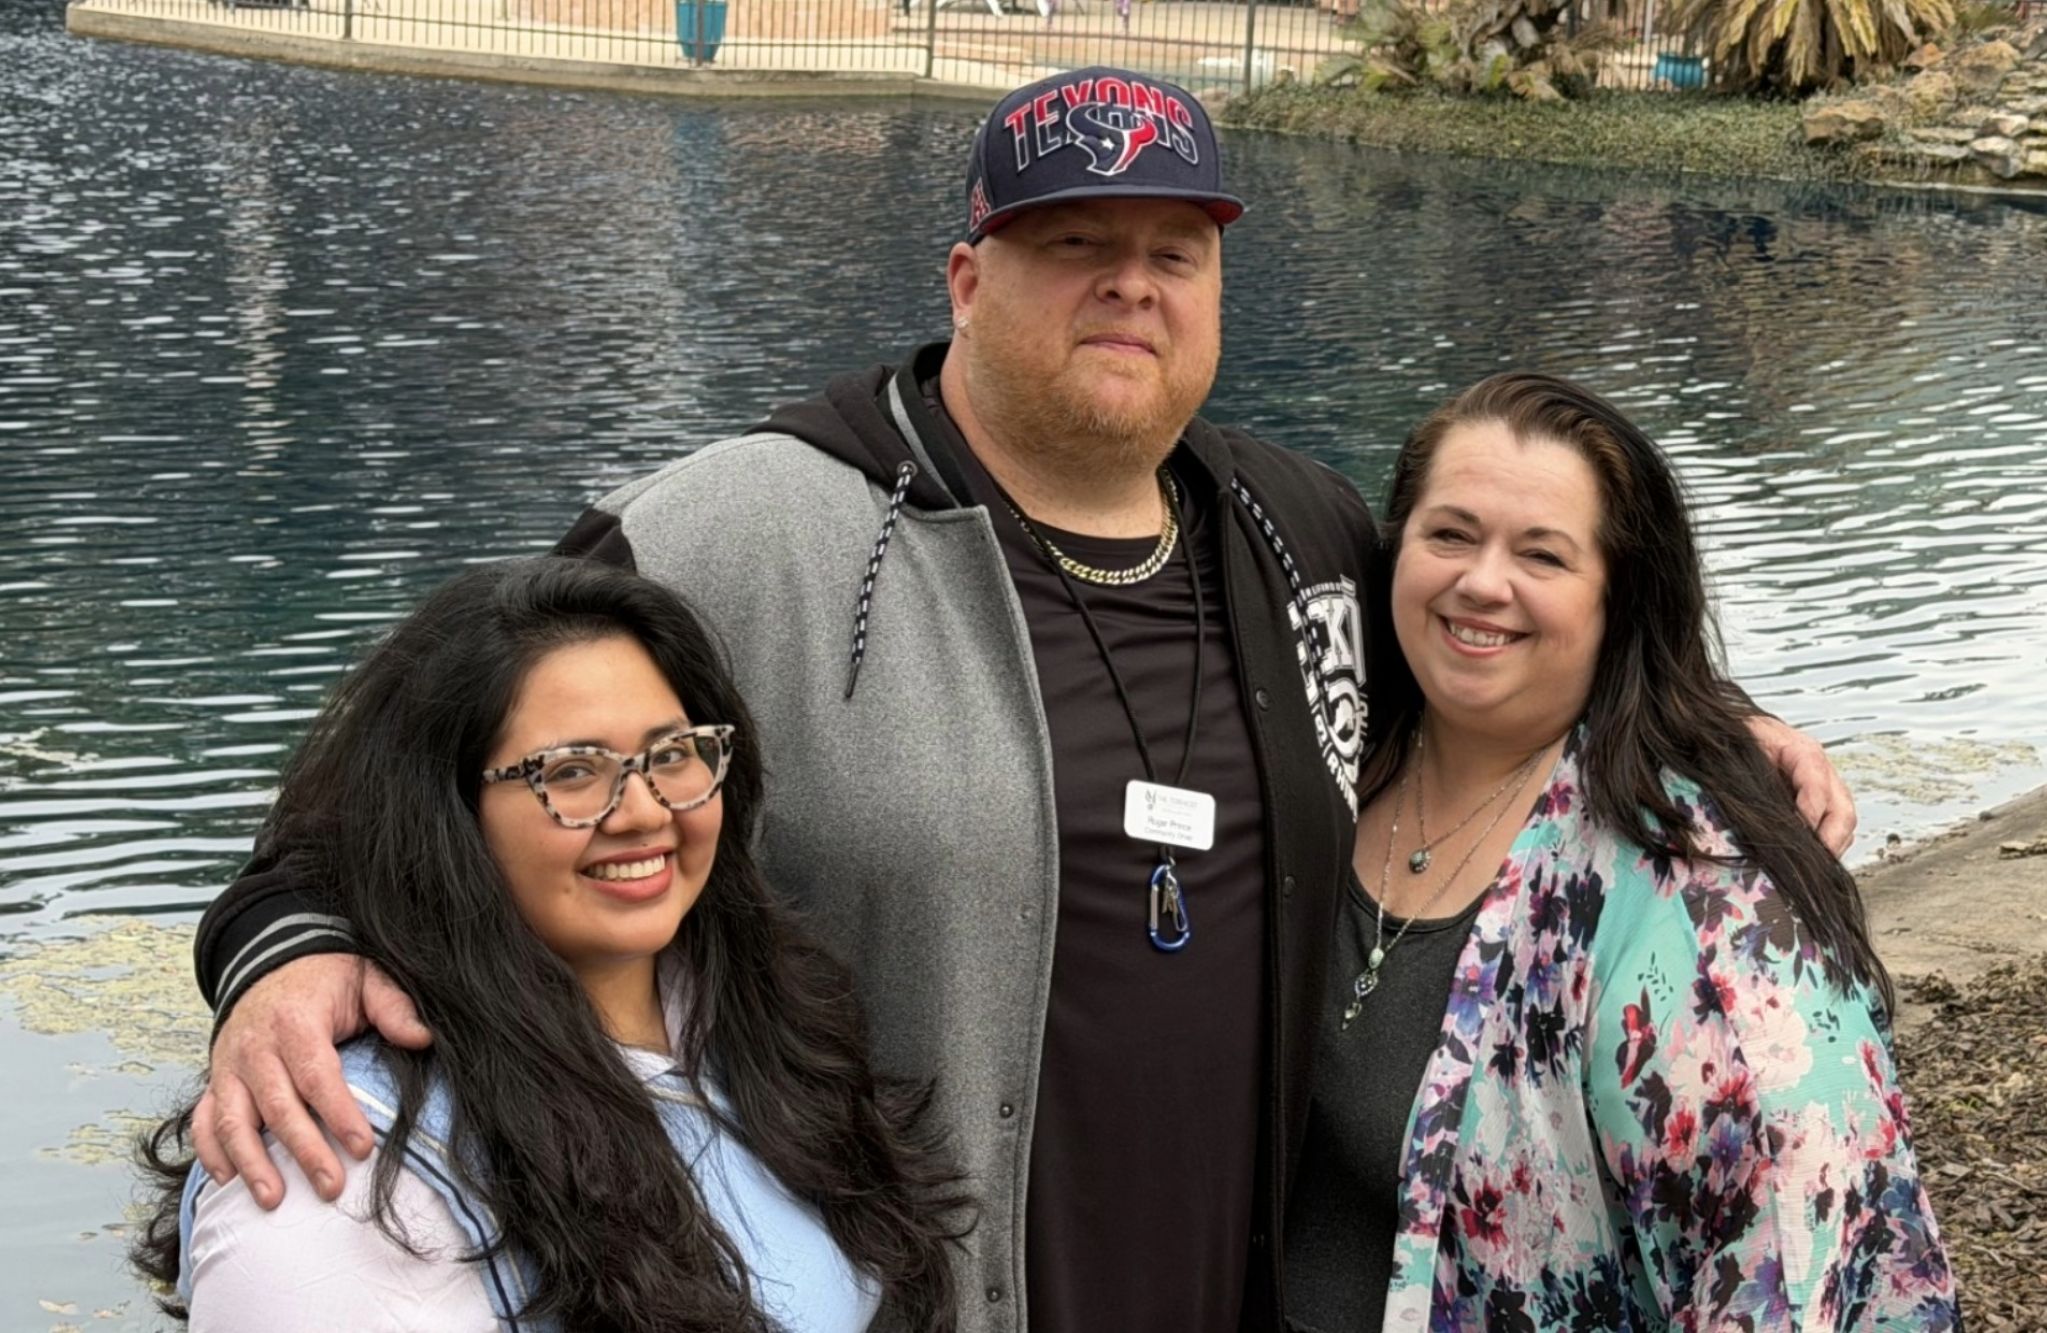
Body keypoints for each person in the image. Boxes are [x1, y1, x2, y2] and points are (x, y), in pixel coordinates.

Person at [178, 72, 1854, 1333]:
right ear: (969, 275)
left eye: (1172, 252)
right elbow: (419, 768)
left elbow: (1509, 682)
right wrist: (287, 951)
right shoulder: (742, 527)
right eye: (1074, 246)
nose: (1129, 283)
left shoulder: (1306, 535)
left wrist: (1712, 735)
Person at [1282, 373, 1956, 1332]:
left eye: (1543, 555)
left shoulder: (1705, 909)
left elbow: (1803, 1267)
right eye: (1450, 534)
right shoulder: (1335, 744)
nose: (1481, 580)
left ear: (1617, 599)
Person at [133, 560, 967, 1331]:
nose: (642, 809)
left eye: (673, 753)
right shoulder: (345, 1169)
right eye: (571, 771)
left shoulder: (754, 1028)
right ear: (446, 814)